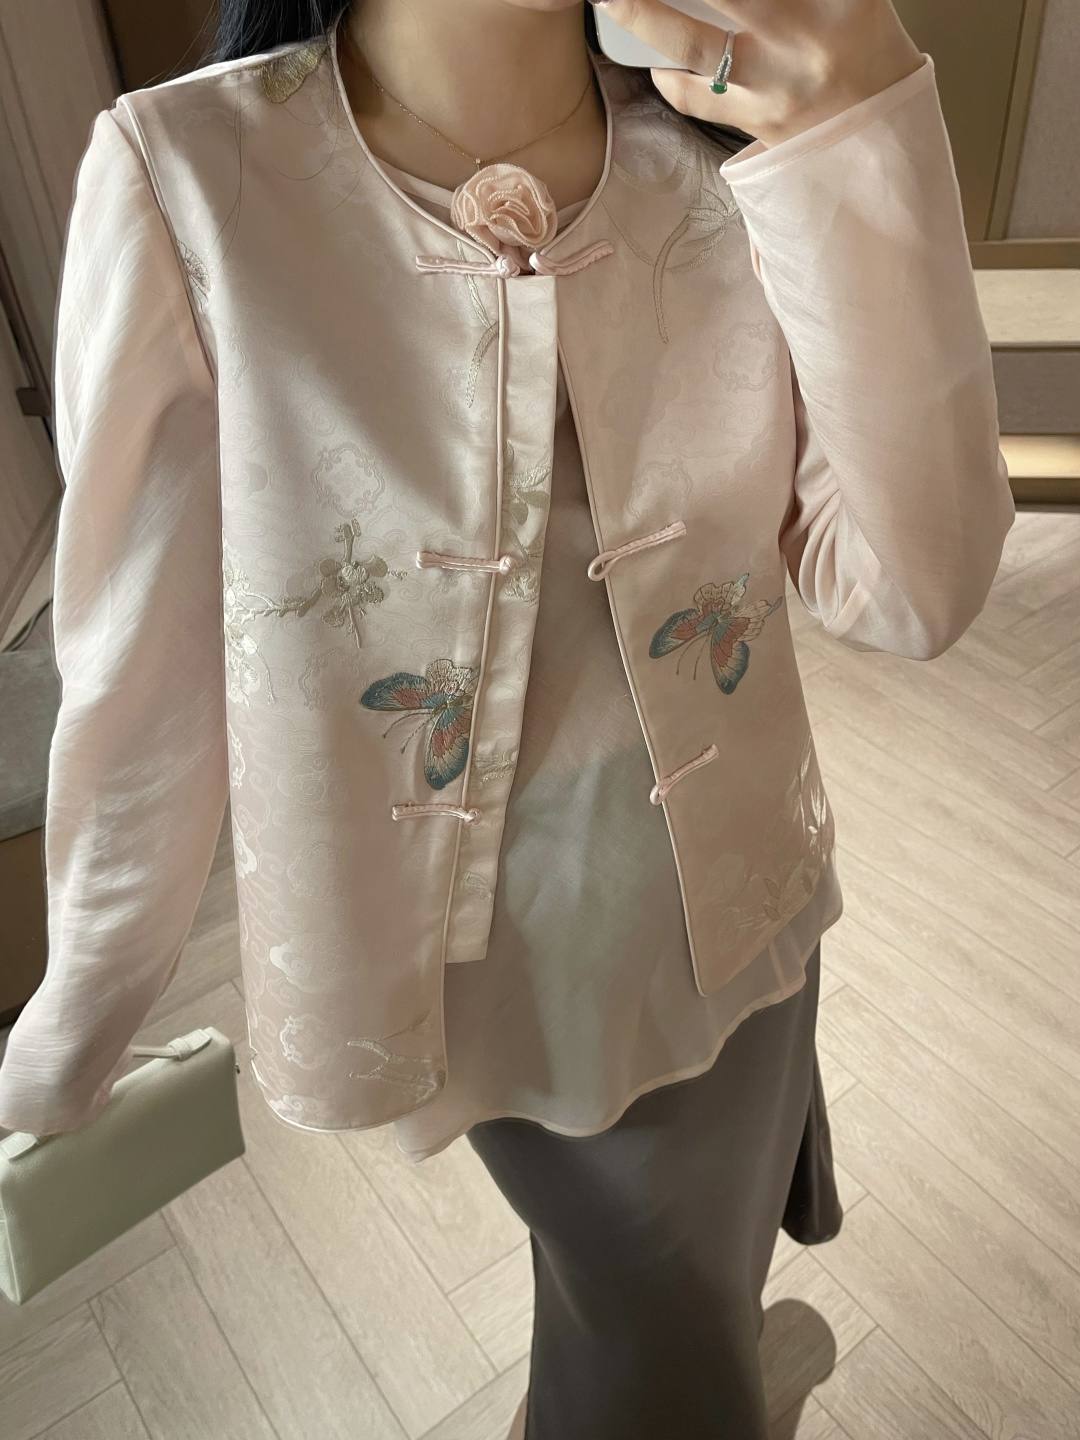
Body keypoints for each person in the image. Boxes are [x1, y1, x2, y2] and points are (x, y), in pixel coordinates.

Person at [0, 1, 1013, 1435]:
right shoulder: (194, 178)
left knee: (681, 1288)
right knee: (652, 1346)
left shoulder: (718, 148)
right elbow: (136, 675)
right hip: (495, 962)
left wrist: (861, 109)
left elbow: (908, 584)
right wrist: (77, 1027)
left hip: (751, 884)